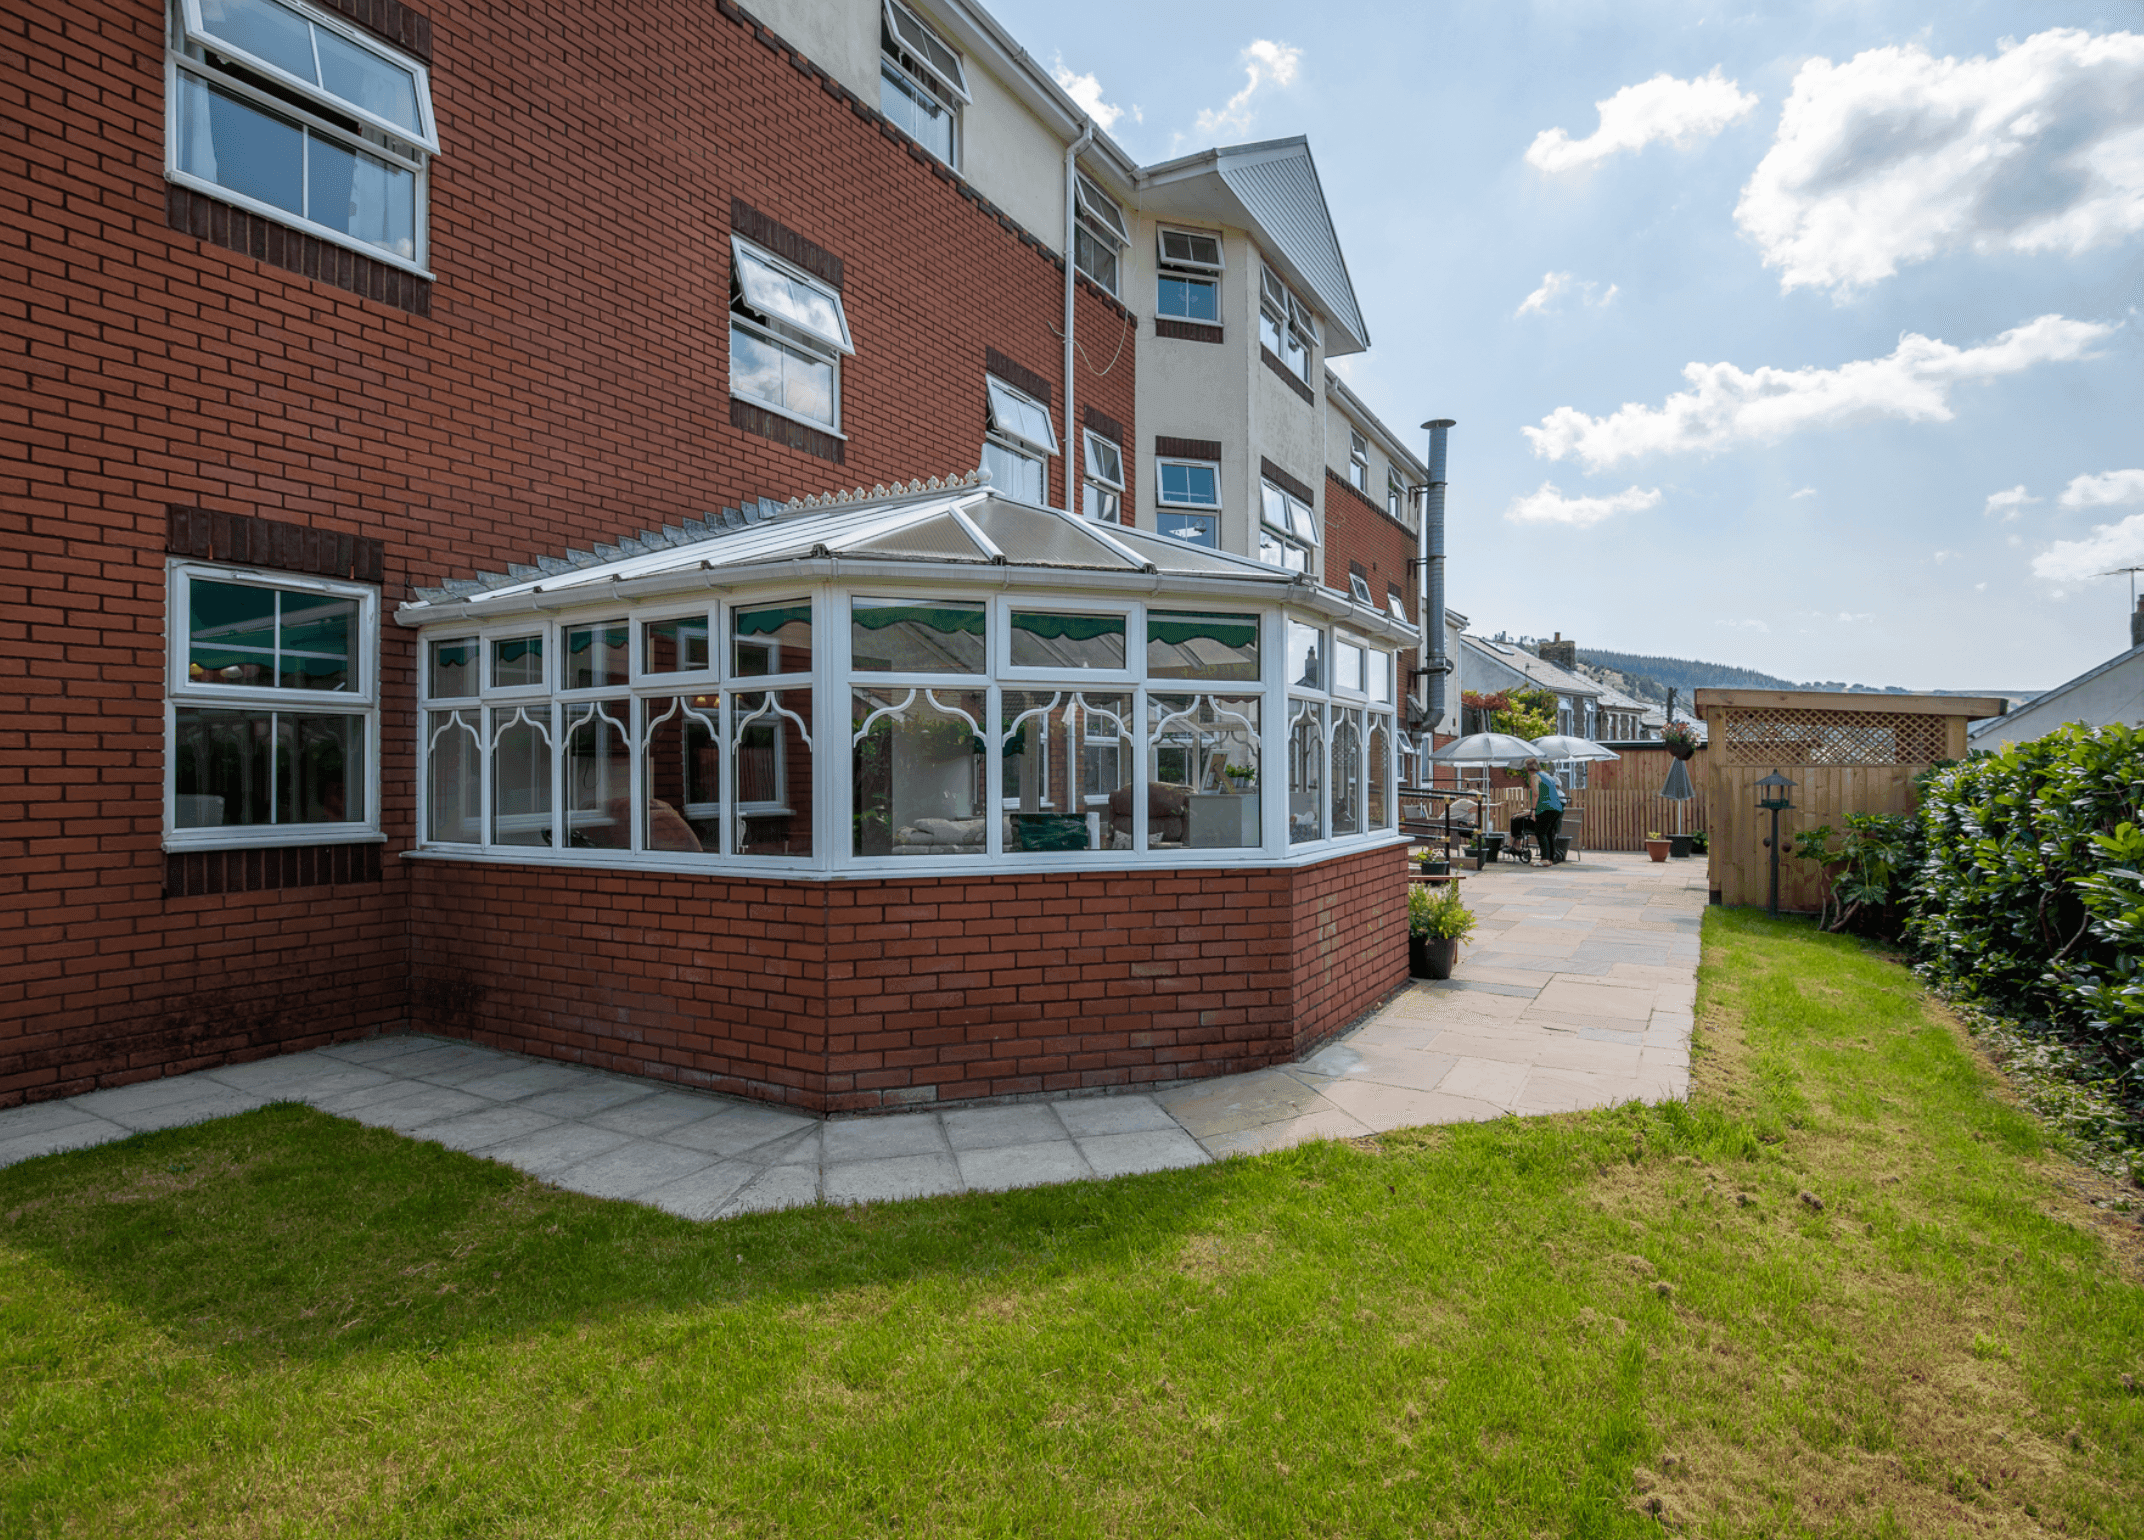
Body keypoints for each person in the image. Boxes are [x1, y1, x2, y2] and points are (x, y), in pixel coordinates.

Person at [1522, 758, 1564, 863]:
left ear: (1528, 768)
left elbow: (1536, 794)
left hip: (1546, 807)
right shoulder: (1547, 776)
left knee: (1541, 832)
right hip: (1557, 808)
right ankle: (1550, 859)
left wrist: (1533, 810)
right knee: (1550, 834)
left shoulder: (1535, 776)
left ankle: (1544, 859)